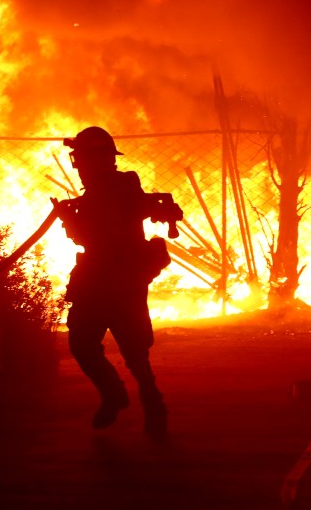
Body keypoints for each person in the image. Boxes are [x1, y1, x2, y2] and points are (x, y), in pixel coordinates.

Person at [55, 126, 181, 439]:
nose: (78, 167)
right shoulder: (109, 189)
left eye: (81, 160)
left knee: (133, 352)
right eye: (77, 160)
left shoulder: (118, 188)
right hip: (99, 281)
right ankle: (118, 396)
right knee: (87, 345)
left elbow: (92, 233)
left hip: (120, 282)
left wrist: (69, 218)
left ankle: (152, 406)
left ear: (98, 160)